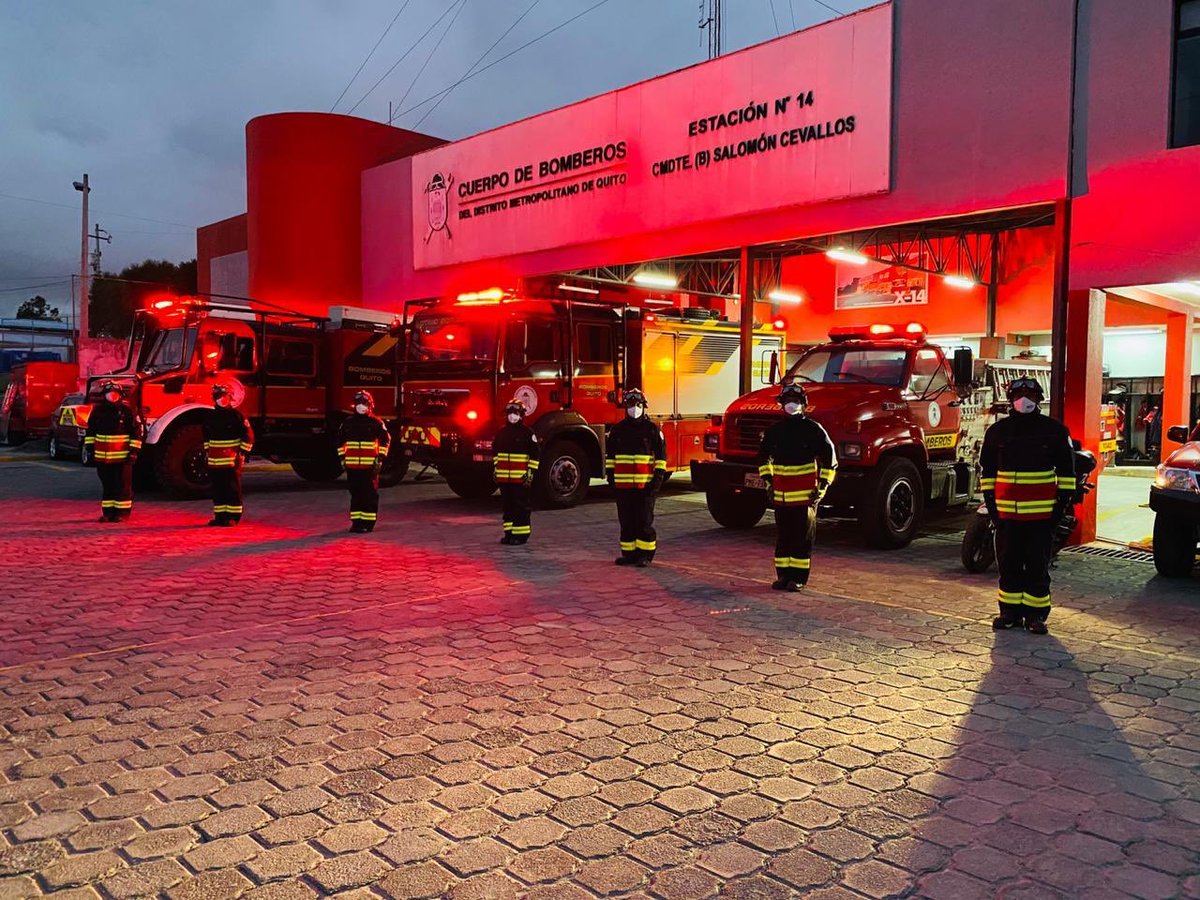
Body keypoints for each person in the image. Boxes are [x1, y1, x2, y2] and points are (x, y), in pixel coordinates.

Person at [979, 376, 1076, 634]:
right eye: (1019, 395)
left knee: (1037, 565)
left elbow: (1067, 471)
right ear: (1010, 400)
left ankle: (1036, 616)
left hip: (1041, 517)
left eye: (1030, 396)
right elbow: (987, 472)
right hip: (1007, 516)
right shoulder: (997, 432)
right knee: (1008, 564)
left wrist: (1061, 506)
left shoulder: (1054, 431)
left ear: (1039, 399)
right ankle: (1008, 613)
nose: (1024, 400)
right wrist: (991, 505)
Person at [756, 381, 837, 592]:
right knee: (783, 538)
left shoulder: (813, 430)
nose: (791, 405)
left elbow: (830, 459)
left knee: (802, 539)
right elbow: (763, 458)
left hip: (805, 497)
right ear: (782, 404)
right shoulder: (775, 431)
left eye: (795, 401)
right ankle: (783, 576)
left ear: (803, 404)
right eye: (788, 401)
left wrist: (823, 486)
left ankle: (798, 578)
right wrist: (769, 482)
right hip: (782, 497)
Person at [605, 388, 667, 566]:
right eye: (631, 404)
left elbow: (661, 460)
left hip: (644, 486)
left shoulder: (652, 430)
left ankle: (645, 556)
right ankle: (629, 554)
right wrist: (612, 480)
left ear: (644, 406)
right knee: (626, 521)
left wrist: (655, 484)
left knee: (643, 522)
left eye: (638, 404)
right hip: (623, 488)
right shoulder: (617, 430)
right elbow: (611, 459)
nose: (634, 408)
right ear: (625, 407)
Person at [84, 380, 143, 523]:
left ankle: (122, 513)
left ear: (120, 395)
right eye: (109, 394)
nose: (112, 396)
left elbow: (136, 433)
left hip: (123, 458)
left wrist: (133, 452)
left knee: (122, 485)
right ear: (104, 395)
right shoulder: (98, 412)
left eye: (115, 394)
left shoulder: (126, 411)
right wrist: (90, 451)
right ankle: (108, 513)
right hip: (103, 458)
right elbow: (91, 432)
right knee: (107, 485)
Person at [337, 390, 392, 533]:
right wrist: (343, 459)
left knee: (369, 495)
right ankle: (356, 523)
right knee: (355, 494)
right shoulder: (348, 423)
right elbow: (339, 442)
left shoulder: (376, 422)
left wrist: (380, 459)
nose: (361, 406)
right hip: (353, 466)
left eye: (364, 403)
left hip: (369, 467)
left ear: (370, 405)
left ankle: (368, 524)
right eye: (358, 403)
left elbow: (386, 440)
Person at [203, 383, 254, 526]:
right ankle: (220, 517)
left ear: (230, 397)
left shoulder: (236, 416)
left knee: (232, 489)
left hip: (231, 461)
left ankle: (233, 517)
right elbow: (206, 437)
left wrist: (242, 454)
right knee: (218, 490)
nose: (221, 399)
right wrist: (208, 453)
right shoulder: (210, 416)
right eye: (218, 397)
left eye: (224, 396)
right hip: (214, 462)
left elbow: (248, 436)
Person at [493, 398, 539, 545]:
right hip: (504, 479)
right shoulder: (501, 433)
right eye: (510, 413)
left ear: (521, 415)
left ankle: (521, 535)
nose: (512, 416)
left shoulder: (527, 433)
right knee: (507, 506)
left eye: (516, 413)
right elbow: (495, 453)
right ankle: (509, 534)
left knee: (521, 506)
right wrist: (496, 469)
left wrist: (530, 473)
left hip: (521, 478)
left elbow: (535, 454)